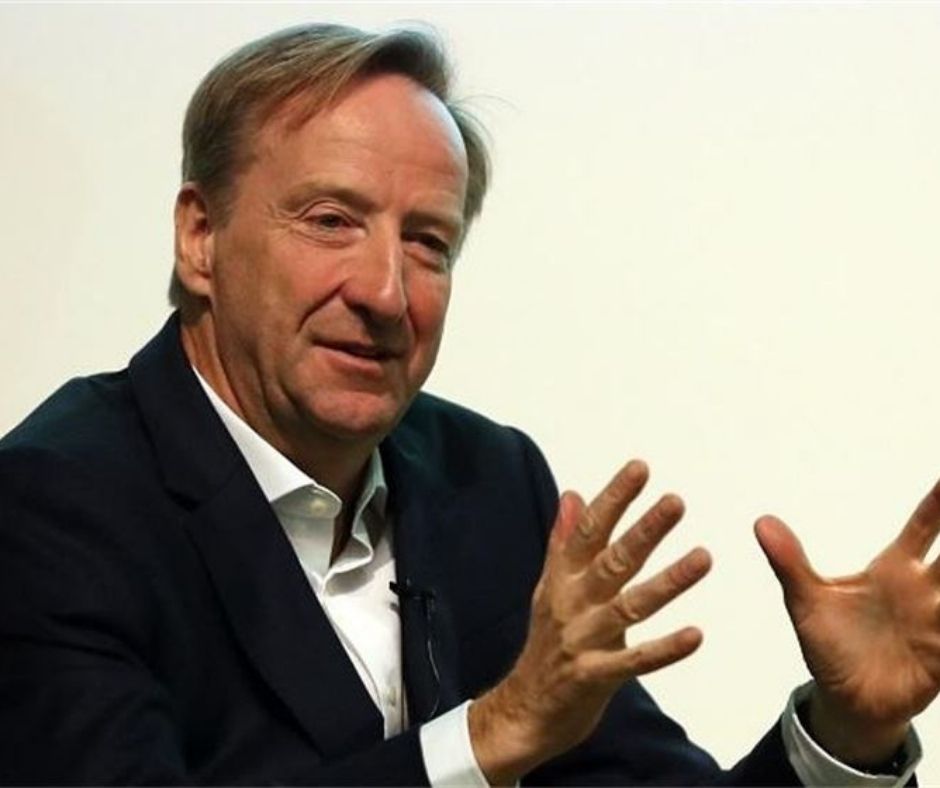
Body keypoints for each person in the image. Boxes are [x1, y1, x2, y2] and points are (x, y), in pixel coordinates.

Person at [0, 22, 937, 786]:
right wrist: (490, 736)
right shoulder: (50, 506)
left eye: (427, 243)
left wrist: (846, 734)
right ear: (200, 237)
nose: (385, 292)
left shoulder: (487, 480)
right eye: (331, 221)